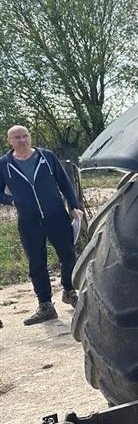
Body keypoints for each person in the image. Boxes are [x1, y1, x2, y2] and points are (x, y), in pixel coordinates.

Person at [0, 125, 84, 324]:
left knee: (68, 254)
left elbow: (64, 182)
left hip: (56, 215)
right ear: (9, 141)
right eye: (17, 137)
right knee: (37, 263)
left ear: (30, 137)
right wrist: (12, 201)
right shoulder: (4, 164)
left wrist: (73, 205)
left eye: (25, 135)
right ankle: (45, 305)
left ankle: (69, 291)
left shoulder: (46, 157)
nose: (22, 140)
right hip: (29, 221)